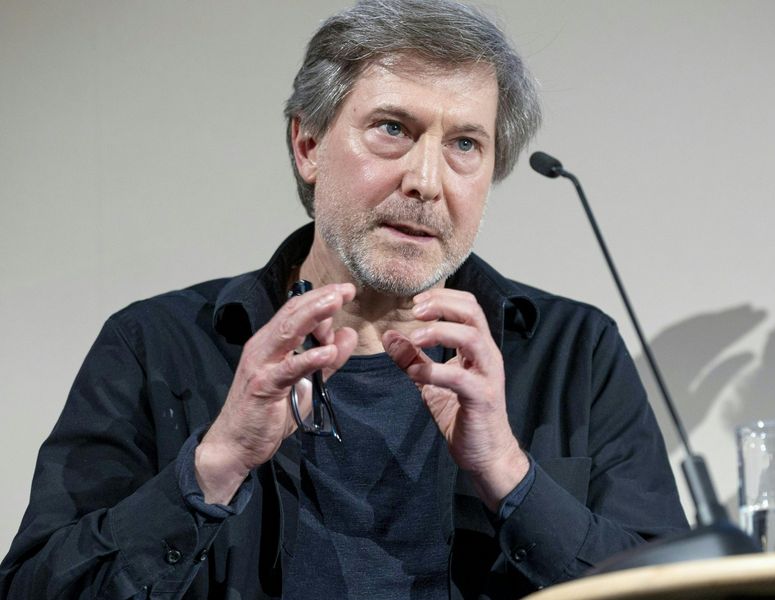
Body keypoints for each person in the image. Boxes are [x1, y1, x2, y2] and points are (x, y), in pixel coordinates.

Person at [0, 1, 688, 598]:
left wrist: (510, 475)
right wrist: (215, 464)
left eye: (465, 144)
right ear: (308, 145)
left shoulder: (577, 353)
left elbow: (676, 589)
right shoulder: (154, 346)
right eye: (392, 128)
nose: (426, 181)